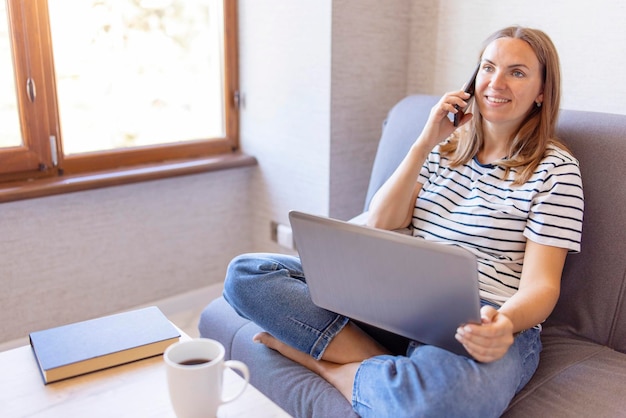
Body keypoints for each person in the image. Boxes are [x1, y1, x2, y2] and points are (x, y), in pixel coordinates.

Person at [223, 25, 584, 417]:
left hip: (480, 319)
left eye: (517, 72)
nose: (495, 83)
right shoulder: (446, 150)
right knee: (247, 274)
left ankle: (327, 366)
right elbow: (380, 222)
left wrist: (503, 323)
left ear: (543, 91)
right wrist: (424, 141)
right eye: (488, 67)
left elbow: (543, 286)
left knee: (440, 403)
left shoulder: (556, 171)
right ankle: (391, 369)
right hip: (398, 300)